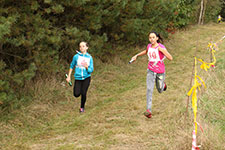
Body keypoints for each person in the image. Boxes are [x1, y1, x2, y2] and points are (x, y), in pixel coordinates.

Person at [130, 31, 173, 118]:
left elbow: (170, 58)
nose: (151, 39)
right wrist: (136, 56)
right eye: (150, 38)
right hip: (150, 70)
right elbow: (146, 52)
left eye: (153, 37)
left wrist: (162, 51)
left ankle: (163, 85)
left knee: (160, 90)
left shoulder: (161, 47)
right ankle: (148, 110)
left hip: (160, 72)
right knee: (149, 89)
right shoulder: (149, 46)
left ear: (157, 38)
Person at [66, 41, 94, 113]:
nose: (81, 48)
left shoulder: (89, 57)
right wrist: (68, 76)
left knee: (84, 93)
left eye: (83, 46)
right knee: (76, 94)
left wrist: (87, 67)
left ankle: (82, 107)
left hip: (86, 78)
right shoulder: (76, 57)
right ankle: (80, 92)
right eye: (80, 46)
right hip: (78, 78)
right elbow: (72, 66)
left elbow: (91, 70)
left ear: (87, 47)